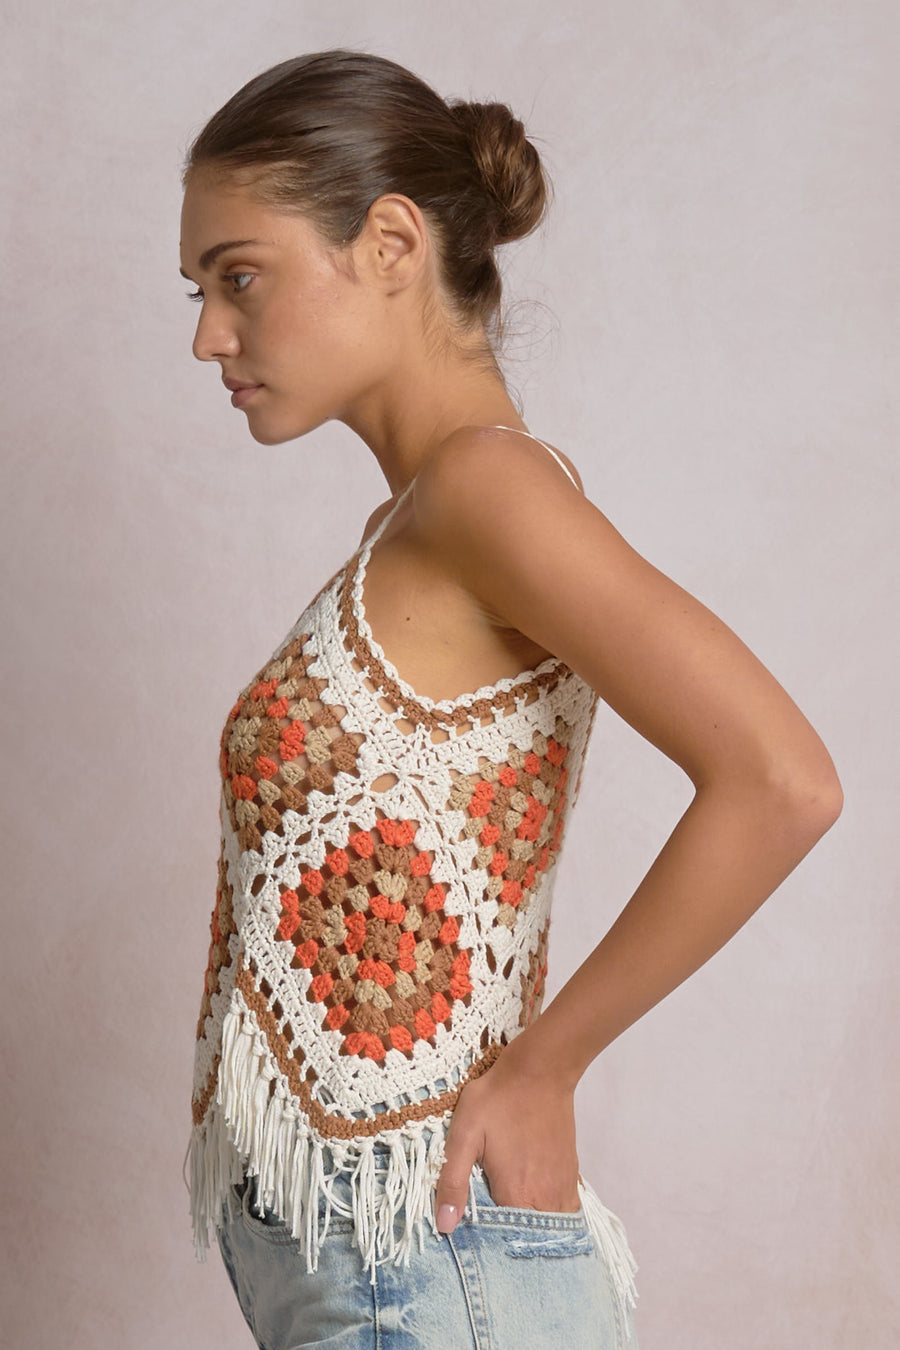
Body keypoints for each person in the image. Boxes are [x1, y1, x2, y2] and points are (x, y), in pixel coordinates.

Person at [178, 49, 842, 1350]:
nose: (209, 332)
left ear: (389, 242)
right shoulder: (421, 521)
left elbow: (782, 778)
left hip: (428, 1264)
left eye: (239, 275)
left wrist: (547, 1062)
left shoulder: (487, 491)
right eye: (198, 291)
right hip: (393, 1267)